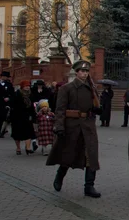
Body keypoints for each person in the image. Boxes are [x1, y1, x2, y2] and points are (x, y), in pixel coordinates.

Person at [46, 60, 103, 198]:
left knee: (91, 155)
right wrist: (59, 126)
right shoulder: (66, 88)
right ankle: (60, 176)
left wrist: (97, 108)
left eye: (86, 71)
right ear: (76, 72)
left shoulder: (91, 88)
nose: (84, 74)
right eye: (82, 71)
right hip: (72, 125)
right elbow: (60, 109)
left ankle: (89, 186)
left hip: (88, 126)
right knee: (68, 154)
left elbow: (96, 106)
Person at [10, 81, 37, 155]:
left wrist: (33, 116)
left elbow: (32, 106)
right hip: (17, 116)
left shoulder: (31, 95)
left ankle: (28, 148)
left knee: (29, 132)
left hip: (27, 116)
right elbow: (13, 104)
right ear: (22, 86)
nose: (28, 87)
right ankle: (18, 148)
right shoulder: (17, 94)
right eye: (26, 86)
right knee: (17, 134)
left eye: (28, 86)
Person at [0, 71, 14, 138]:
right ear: (1, 76)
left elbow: (12, 94)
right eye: (5, 76)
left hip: (5, 104)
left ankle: (1, 132)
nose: (6, 78)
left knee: (3, 118)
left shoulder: (9, 84)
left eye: (7, 77)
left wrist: (9, 98)